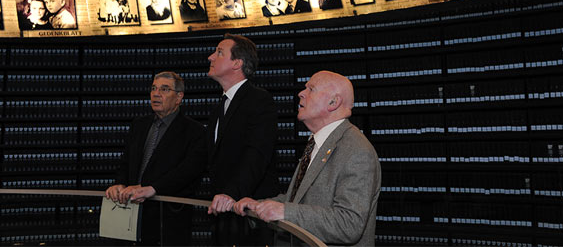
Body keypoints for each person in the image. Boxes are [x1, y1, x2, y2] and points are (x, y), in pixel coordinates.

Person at [233, 71, 381, 247]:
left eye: (311, 89)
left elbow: (349, 224)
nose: (301, 93)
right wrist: (259, 205)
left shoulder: (356, 150)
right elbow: (298, 199)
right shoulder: (317, 144)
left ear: (333, 102)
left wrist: (286, 212)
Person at [105, 72, 205, 246]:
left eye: (165, 89)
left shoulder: (194, 131)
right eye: (154, 88)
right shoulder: (139, 124)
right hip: (130, 216)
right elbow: (126, 163)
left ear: (179, 97)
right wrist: (119, 183)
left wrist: (153, 188)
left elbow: (188, 172)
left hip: (167, 219)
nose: (156, 94)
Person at [206, 34, 279, 246]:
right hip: (224, 215)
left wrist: (230, 193)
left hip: (252, 218)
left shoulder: (259, 100)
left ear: (237, 63)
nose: (211, 57)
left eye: (219, 52)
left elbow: (257, 154)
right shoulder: (219, 107)